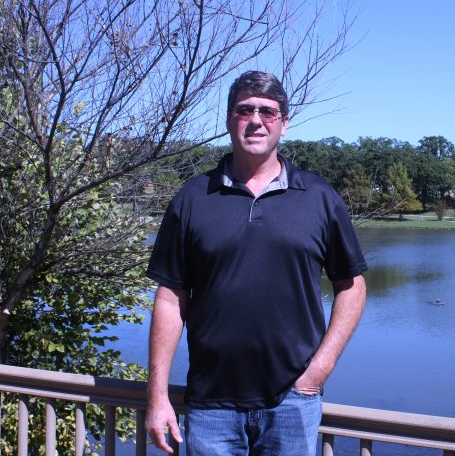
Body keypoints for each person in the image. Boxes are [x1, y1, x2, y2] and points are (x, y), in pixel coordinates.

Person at [144, 71, 368, 455]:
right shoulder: (194, 197)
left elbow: (352, 285)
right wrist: (157, 395)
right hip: (211, 404)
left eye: (268, 111)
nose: (256, 120)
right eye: (245, 110)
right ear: (229, 119)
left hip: (292, 401)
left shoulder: (318, 196)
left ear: (284, 122)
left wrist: (318, 371)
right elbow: (170, 298)